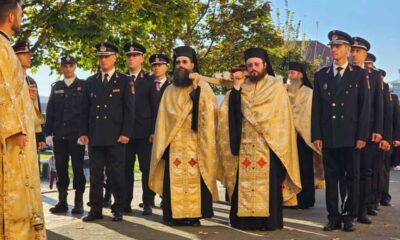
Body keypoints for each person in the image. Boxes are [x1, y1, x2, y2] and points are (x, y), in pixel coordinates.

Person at [218, 47, 301, 231]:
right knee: (242, 184)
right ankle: (243, 221)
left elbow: (282, 119)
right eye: (249, 65)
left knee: (269, 186)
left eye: (256, 64)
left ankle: (268, 222)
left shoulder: (276, 86)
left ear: (264, 65)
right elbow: (229, 114)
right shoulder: (241, 87)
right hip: (244, 145)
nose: (253, 68)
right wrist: (237, 88)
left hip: (269, 144)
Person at [149, 46, 219, 226]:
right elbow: (163, 121)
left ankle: (194, 216)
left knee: (196, 180)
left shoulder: (204, 87)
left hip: (197, 144)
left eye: (184, 62)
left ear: (193, 65)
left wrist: (197, 93)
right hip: (174, 147)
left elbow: (210, 115)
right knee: (174, 181)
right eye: (178, 62)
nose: (180, 65)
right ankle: (173, 215)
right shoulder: (169, 90)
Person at [312, 30, 370, 232]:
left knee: (351, 177)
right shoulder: (321, 75)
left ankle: (348, 215)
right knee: (332, 178)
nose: (333, 50)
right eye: (332, 46)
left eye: (338, 46)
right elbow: (316, 108)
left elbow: (364, 108)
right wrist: (316, 134)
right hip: (329, 135)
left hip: (351, 135)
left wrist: (362, 135)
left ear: (347, 50)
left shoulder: (360, 74)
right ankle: (333, 216)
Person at [0, 0, 46, 238]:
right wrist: (15, 128)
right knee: (13, 194)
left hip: (18, 135)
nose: (20, 18)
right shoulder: (1, 47)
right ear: (11, 17)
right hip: (11, 140)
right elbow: (2, 91)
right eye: (19, 14)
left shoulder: (5, 46)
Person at [80, 42, 135, 222]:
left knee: (116, 174)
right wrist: (84, 132)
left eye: (106, 56)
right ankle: (95, 209)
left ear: (114, 58)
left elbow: (129, 109)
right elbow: (85, 110)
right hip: (96, 136)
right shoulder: (91, 81)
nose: (103, 59)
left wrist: (126, 132)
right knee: (95, 175)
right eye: (100, 57)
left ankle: (118, 208)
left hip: (116, 136)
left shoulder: (125, 81)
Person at [45, 56, 86, 214]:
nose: (68, 69)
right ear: (61, 68)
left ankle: (78, 203)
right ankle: (62, 202)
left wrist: (84, 133)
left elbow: (86, 112)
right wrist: (48, 133)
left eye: (70, 65)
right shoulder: (56, 87)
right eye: (65, 66)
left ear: (75, 67)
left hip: (76, 137)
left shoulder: (83, 86)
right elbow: (50, 111)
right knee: (61, 170)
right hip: (60, 137)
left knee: (78, 170)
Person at [350, 36, 384, 224]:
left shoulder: (374, 76)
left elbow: (379, 105)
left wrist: (379, 130)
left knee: (365, 171)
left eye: (358, 51)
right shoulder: (346, 72)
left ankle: (362, 209)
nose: (354, 54)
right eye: (352, 51)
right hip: (349, 131)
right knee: (350, 173)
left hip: (369, 131)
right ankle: (350, 208)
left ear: (365, 54)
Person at [123, 42, 158, 215]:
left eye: (135, 55)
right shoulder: (121, 78)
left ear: (142, 58)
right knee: (125, 170)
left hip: (145, 133)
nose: (131, 58)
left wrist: (153, 131)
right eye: (129, 56)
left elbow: (155, 107)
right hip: (125, 134)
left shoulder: (150, 79)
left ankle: (147, 202)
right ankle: (125, 202)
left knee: (146, 169)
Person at [286, 61, 322, 209]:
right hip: (287, 136)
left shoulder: (309, 93)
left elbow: (309, 115)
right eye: (288, 73)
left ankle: (305, 199)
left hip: (303, 138)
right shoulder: (284, 91)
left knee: (304, 168)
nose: (289, 76)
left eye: (292, 73)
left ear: (300, 75)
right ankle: (288, 198)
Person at [12, 41, 46, 152]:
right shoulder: (9, 80)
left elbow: (37, 109)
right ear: (15, 57)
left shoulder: (31, 81)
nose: (29, 57)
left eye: (29, 54)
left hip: (31, 133)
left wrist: (40, 135)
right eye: (24, 54)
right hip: (15, 135)